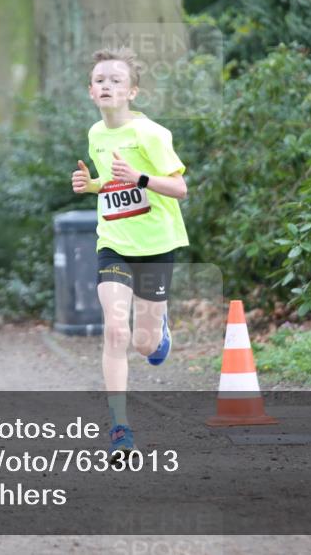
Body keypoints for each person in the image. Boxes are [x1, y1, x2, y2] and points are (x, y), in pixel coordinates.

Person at [70, 47, 188, 459]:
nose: (107, 85)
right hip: (114, 243)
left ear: (132, 92)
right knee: (116, 331)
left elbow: (179, 188)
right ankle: (120, 429)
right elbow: (112, 183)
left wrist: (140, 177)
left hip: (156, 245)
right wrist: (92, 186)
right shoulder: (96, 133)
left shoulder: (151, 134)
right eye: (100, 80)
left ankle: (159, 331)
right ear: (90, 91)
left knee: (143, 343)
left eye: (116, 80)